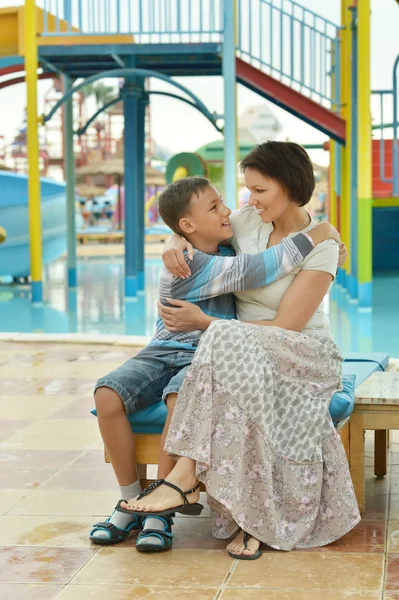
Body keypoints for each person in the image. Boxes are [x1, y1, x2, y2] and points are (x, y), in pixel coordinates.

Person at [120, 141, 360, 559]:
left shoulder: (321, 246)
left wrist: (204, 323)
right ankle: (238, 509)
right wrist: (174, 239)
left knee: (223, 338)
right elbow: (201, 223)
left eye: (260, 190)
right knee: (231, 351)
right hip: (243, 352)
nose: (249, 200)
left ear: (289, 186)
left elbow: (286, 327)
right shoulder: (248, 222)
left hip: (301, 354)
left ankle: (184, 477)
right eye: (248, 189)